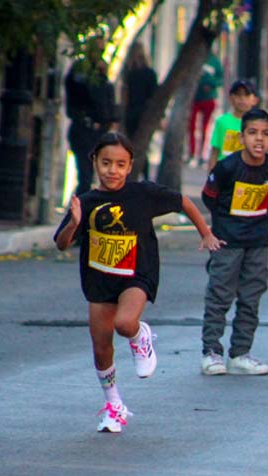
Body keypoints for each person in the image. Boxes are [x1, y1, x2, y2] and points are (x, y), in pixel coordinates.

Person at [54, 132, 221, 433]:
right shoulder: (87, 202)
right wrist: (75, 222)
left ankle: (140, 335)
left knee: (125, 323)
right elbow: (62, 243)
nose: (112, 170)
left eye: (120, 164)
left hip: (136, 275)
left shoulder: (142, 194)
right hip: (99, 280)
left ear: (130, 166)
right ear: (94, 162)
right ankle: (113, 405)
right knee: (101, 347)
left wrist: (205, 232)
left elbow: (183, 201)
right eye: (106, 163)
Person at [199, 109, 268, 377]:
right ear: (241, 137)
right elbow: (209, 196)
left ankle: (240, 354)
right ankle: (211, 352)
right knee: (219, 295)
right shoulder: (226, 168)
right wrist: (222, 228)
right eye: (252, 133)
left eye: (266, 134)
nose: (259, 139)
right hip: (227, 243)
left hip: (258, 244)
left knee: (251, 297)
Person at [65, 42, 118, 195]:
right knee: (85, 176)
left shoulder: (100, 76)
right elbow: (90, 100)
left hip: (96, 132)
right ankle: (79, 211)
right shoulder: (81, 73)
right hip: (84, 129)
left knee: (92, 175)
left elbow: (107, 104)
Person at [122, 42, 158, 180]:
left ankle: (135, 175)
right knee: (142, 147)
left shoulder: (129, 72)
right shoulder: (148, 73)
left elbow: (125, 95)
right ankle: (144, 176)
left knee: (132, 147)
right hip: (144, 114)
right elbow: (153, 95)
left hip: (132, 113)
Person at [209, 80, 260, 166]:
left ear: (255, 100)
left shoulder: (259, 124)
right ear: (230, 98)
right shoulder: (222, 122)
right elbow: (215, 152)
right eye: (238, 95)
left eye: (246, 95)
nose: (242, 98)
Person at [189, 52, 224, 165]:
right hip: (194, 98)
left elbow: (220, 79)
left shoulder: (214, 61)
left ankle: (202, 155)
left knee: (206, 127)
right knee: (192, 127)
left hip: (209, 98)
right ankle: (192, 153)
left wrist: (211, 85)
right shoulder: (194, 57)